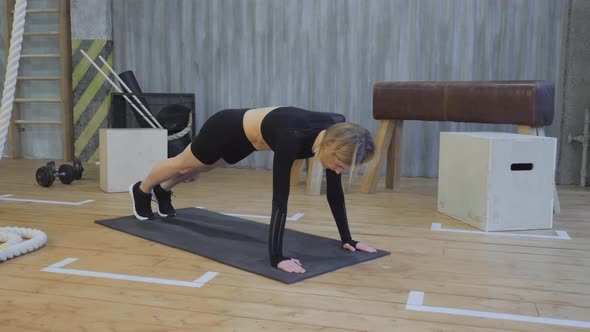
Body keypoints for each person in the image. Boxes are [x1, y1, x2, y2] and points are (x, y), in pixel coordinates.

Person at [129, 106, 377, 274]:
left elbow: (336, 194)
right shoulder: (291, 139)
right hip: (227, 127)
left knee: (203, 168)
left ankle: (163, 190)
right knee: (184, 162)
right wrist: (277, 258)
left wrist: (348, 239)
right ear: (330, 145)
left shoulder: (339, 135)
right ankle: (142, 190)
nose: (338, 171)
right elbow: (280, 200)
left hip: (250, 141)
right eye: (339, 165)